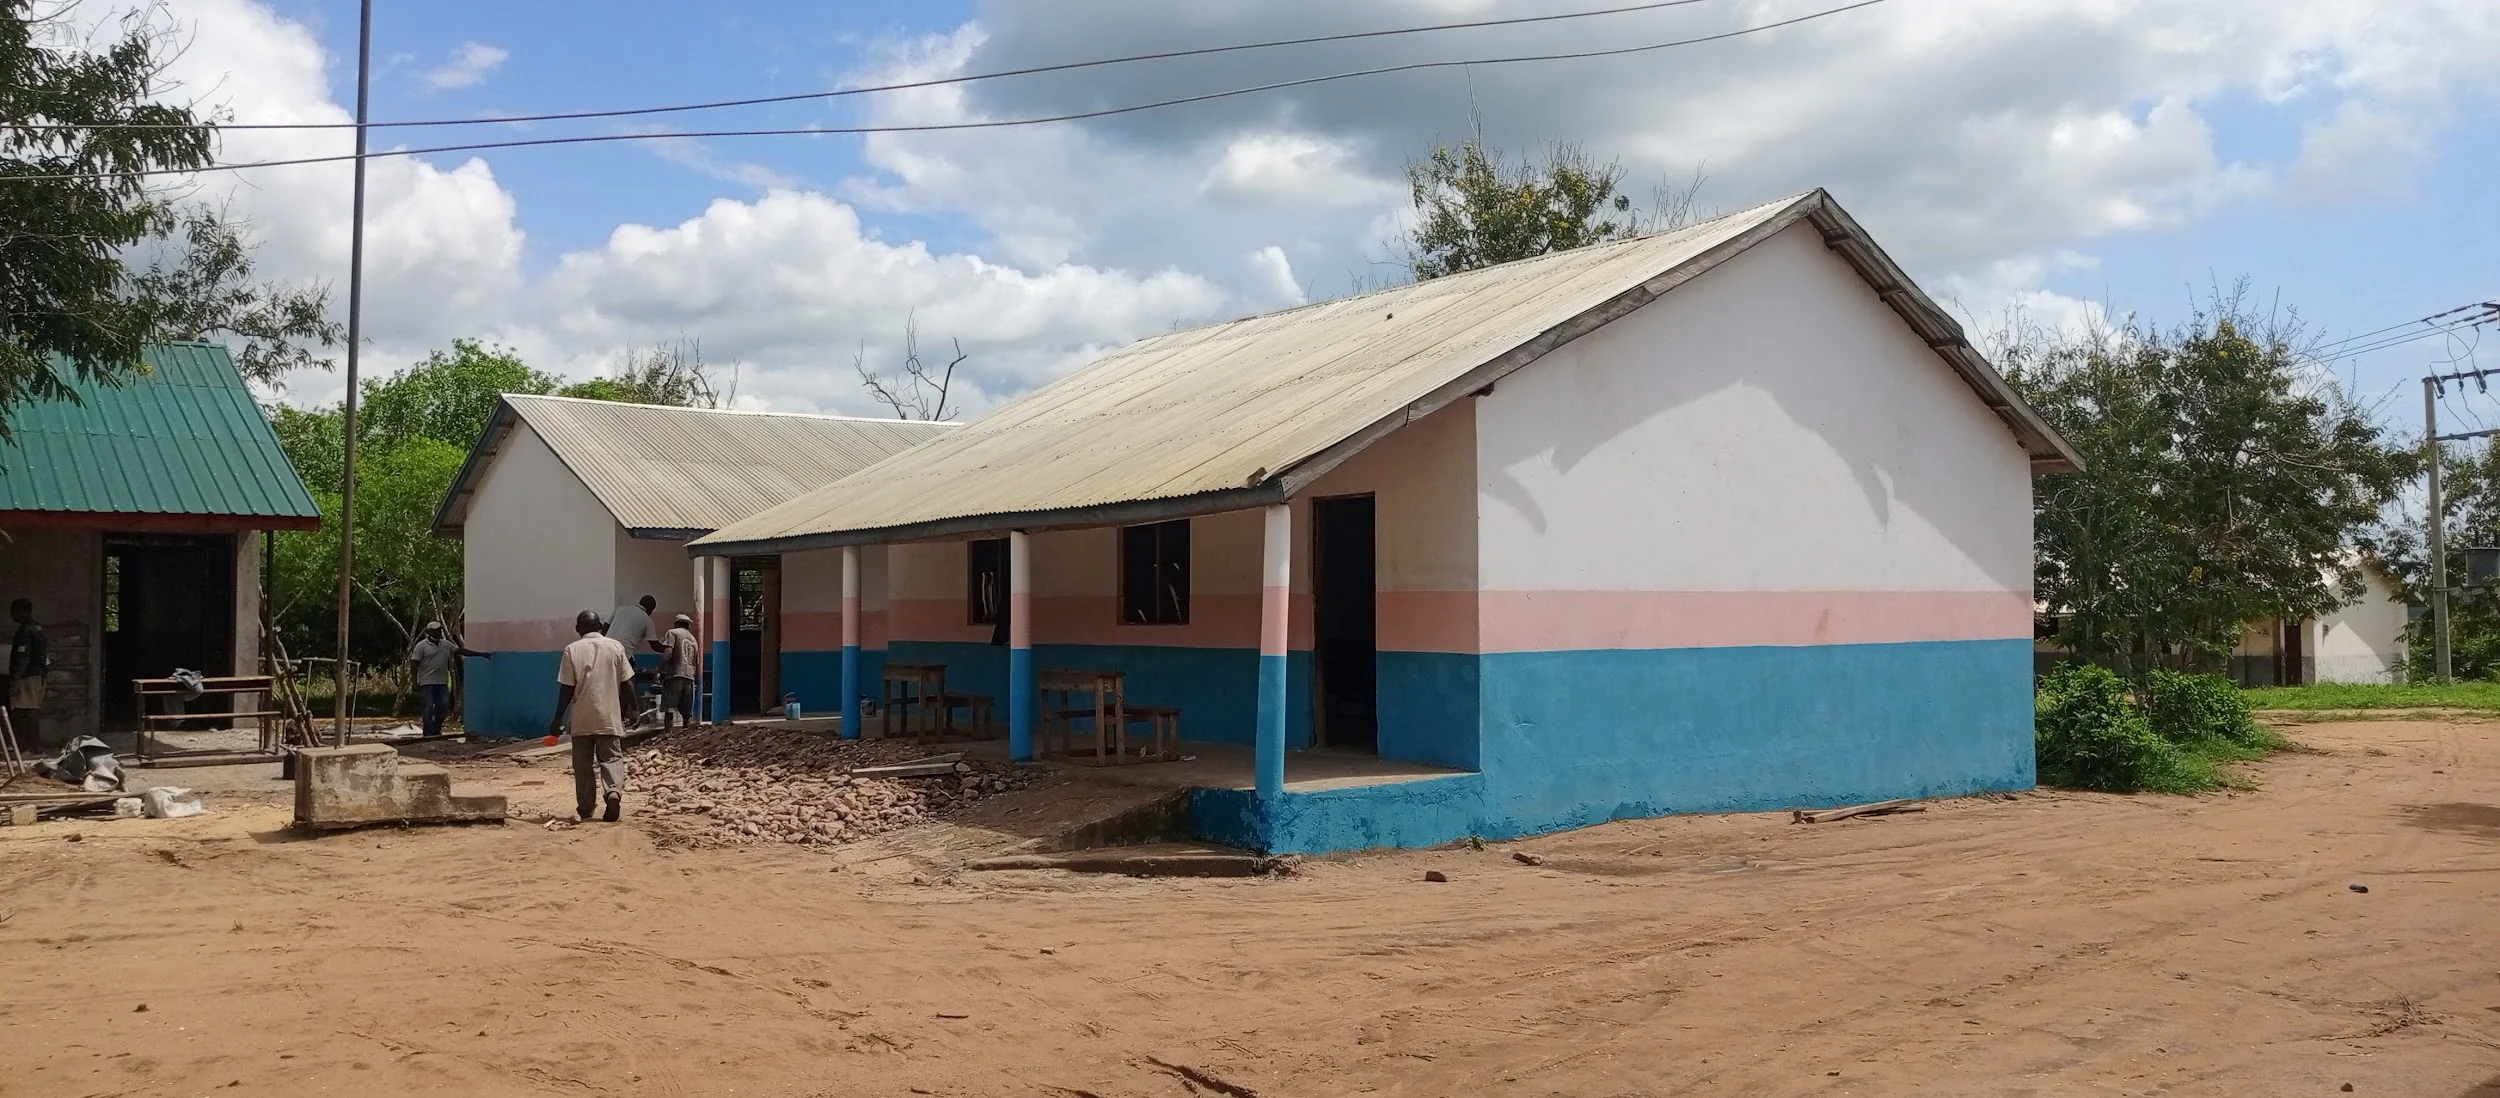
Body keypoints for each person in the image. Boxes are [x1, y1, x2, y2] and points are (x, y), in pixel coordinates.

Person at [552, 609, 636, 822]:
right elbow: (627, 682)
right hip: (609, 716)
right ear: (600, 627)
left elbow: (567, 688)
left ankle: (586, 807)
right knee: (611, 758)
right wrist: (634, 708)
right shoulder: (616, 647)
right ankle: (613, 792)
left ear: (578, 629)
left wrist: (557, 718)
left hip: (582, 718)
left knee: (583, 764)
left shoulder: (571, 650)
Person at [408, 621, 490, 738]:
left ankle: (436, 730)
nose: (439, 632)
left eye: (440, 630)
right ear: (429, 632)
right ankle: (428, 733)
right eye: (436, 630)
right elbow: (414, 664)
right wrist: (414, 682)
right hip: (427, 682)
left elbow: (461, 651)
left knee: (443, 707)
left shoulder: (446, 645)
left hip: (442, 682)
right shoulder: (421, 646)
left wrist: (481, 654)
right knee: (428, 708)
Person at [4, 598, 44, 752]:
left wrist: (15, 681)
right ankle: (31, 747)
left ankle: (28, 748)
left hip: (27, 676)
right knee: (31, 709)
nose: (13, 616)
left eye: (14, 612)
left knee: (25, 711)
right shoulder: (37, 628)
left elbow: (23, 658)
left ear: (22, 611)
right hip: (36, 675)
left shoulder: (25, 631)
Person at [653, 614, 701, 732]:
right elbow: (696, 661)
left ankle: (668, 735)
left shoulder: (672, 633)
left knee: (669, 708)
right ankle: (686, 735)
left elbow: (668, 652)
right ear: (688, 626)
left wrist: (659, 670)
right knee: (686, 711)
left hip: (675, 674)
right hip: (690, 676)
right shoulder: (694, 640)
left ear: (677, 624)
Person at [606, 595, 657, 659]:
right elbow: (654, 645)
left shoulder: (620, 609)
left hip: (606, 649)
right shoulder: (647, 620)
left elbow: (606, 626)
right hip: (624, 653)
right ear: (651, 608)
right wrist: (669, 648)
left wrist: (602, 639)